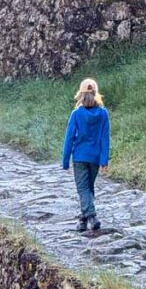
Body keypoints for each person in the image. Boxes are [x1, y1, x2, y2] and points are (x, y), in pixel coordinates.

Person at [62, 77, 110, 233]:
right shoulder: (103, 114)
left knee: (82, 188)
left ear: (80, 95)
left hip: (80, 157)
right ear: (96, 94)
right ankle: (83, 220)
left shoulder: (76, 114)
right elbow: (105, 137)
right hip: (95, 157)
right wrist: (104, 160)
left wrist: (65, 160)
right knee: (89, 188)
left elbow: (69, 137)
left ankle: (92, 216)